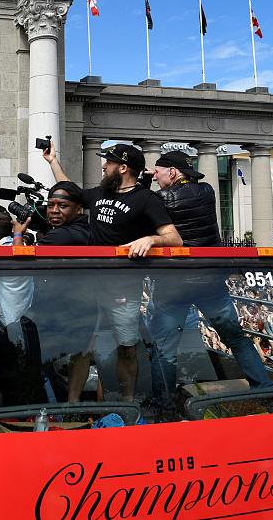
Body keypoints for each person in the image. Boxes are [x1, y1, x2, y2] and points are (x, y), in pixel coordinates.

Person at [43, 140, 182, 403]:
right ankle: (72, 405)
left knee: (127, 349)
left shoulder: (146, 199)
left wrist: (150, 240)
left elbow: (174, 238)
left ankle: (128, 404)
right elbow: (69, 188)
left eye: (108, 162)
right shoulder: (99, 194)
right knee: (81, 350)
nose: (104, 165)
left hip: (123, 288)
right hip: (89, 287)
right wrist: (53, 162)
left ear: (123, 168)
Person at [144, 151, 273, 409]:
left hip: (174, 285)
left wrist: (143, 183)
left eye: (158, 174)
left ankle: (164, 403)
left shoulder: (158, 199)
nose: (156, 179)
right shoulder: (207, 191)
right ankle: (267, 389)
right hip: (211, 281)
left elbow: (142, 206)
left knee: (165, 347)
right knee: (236, 338)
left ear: (171, 172)